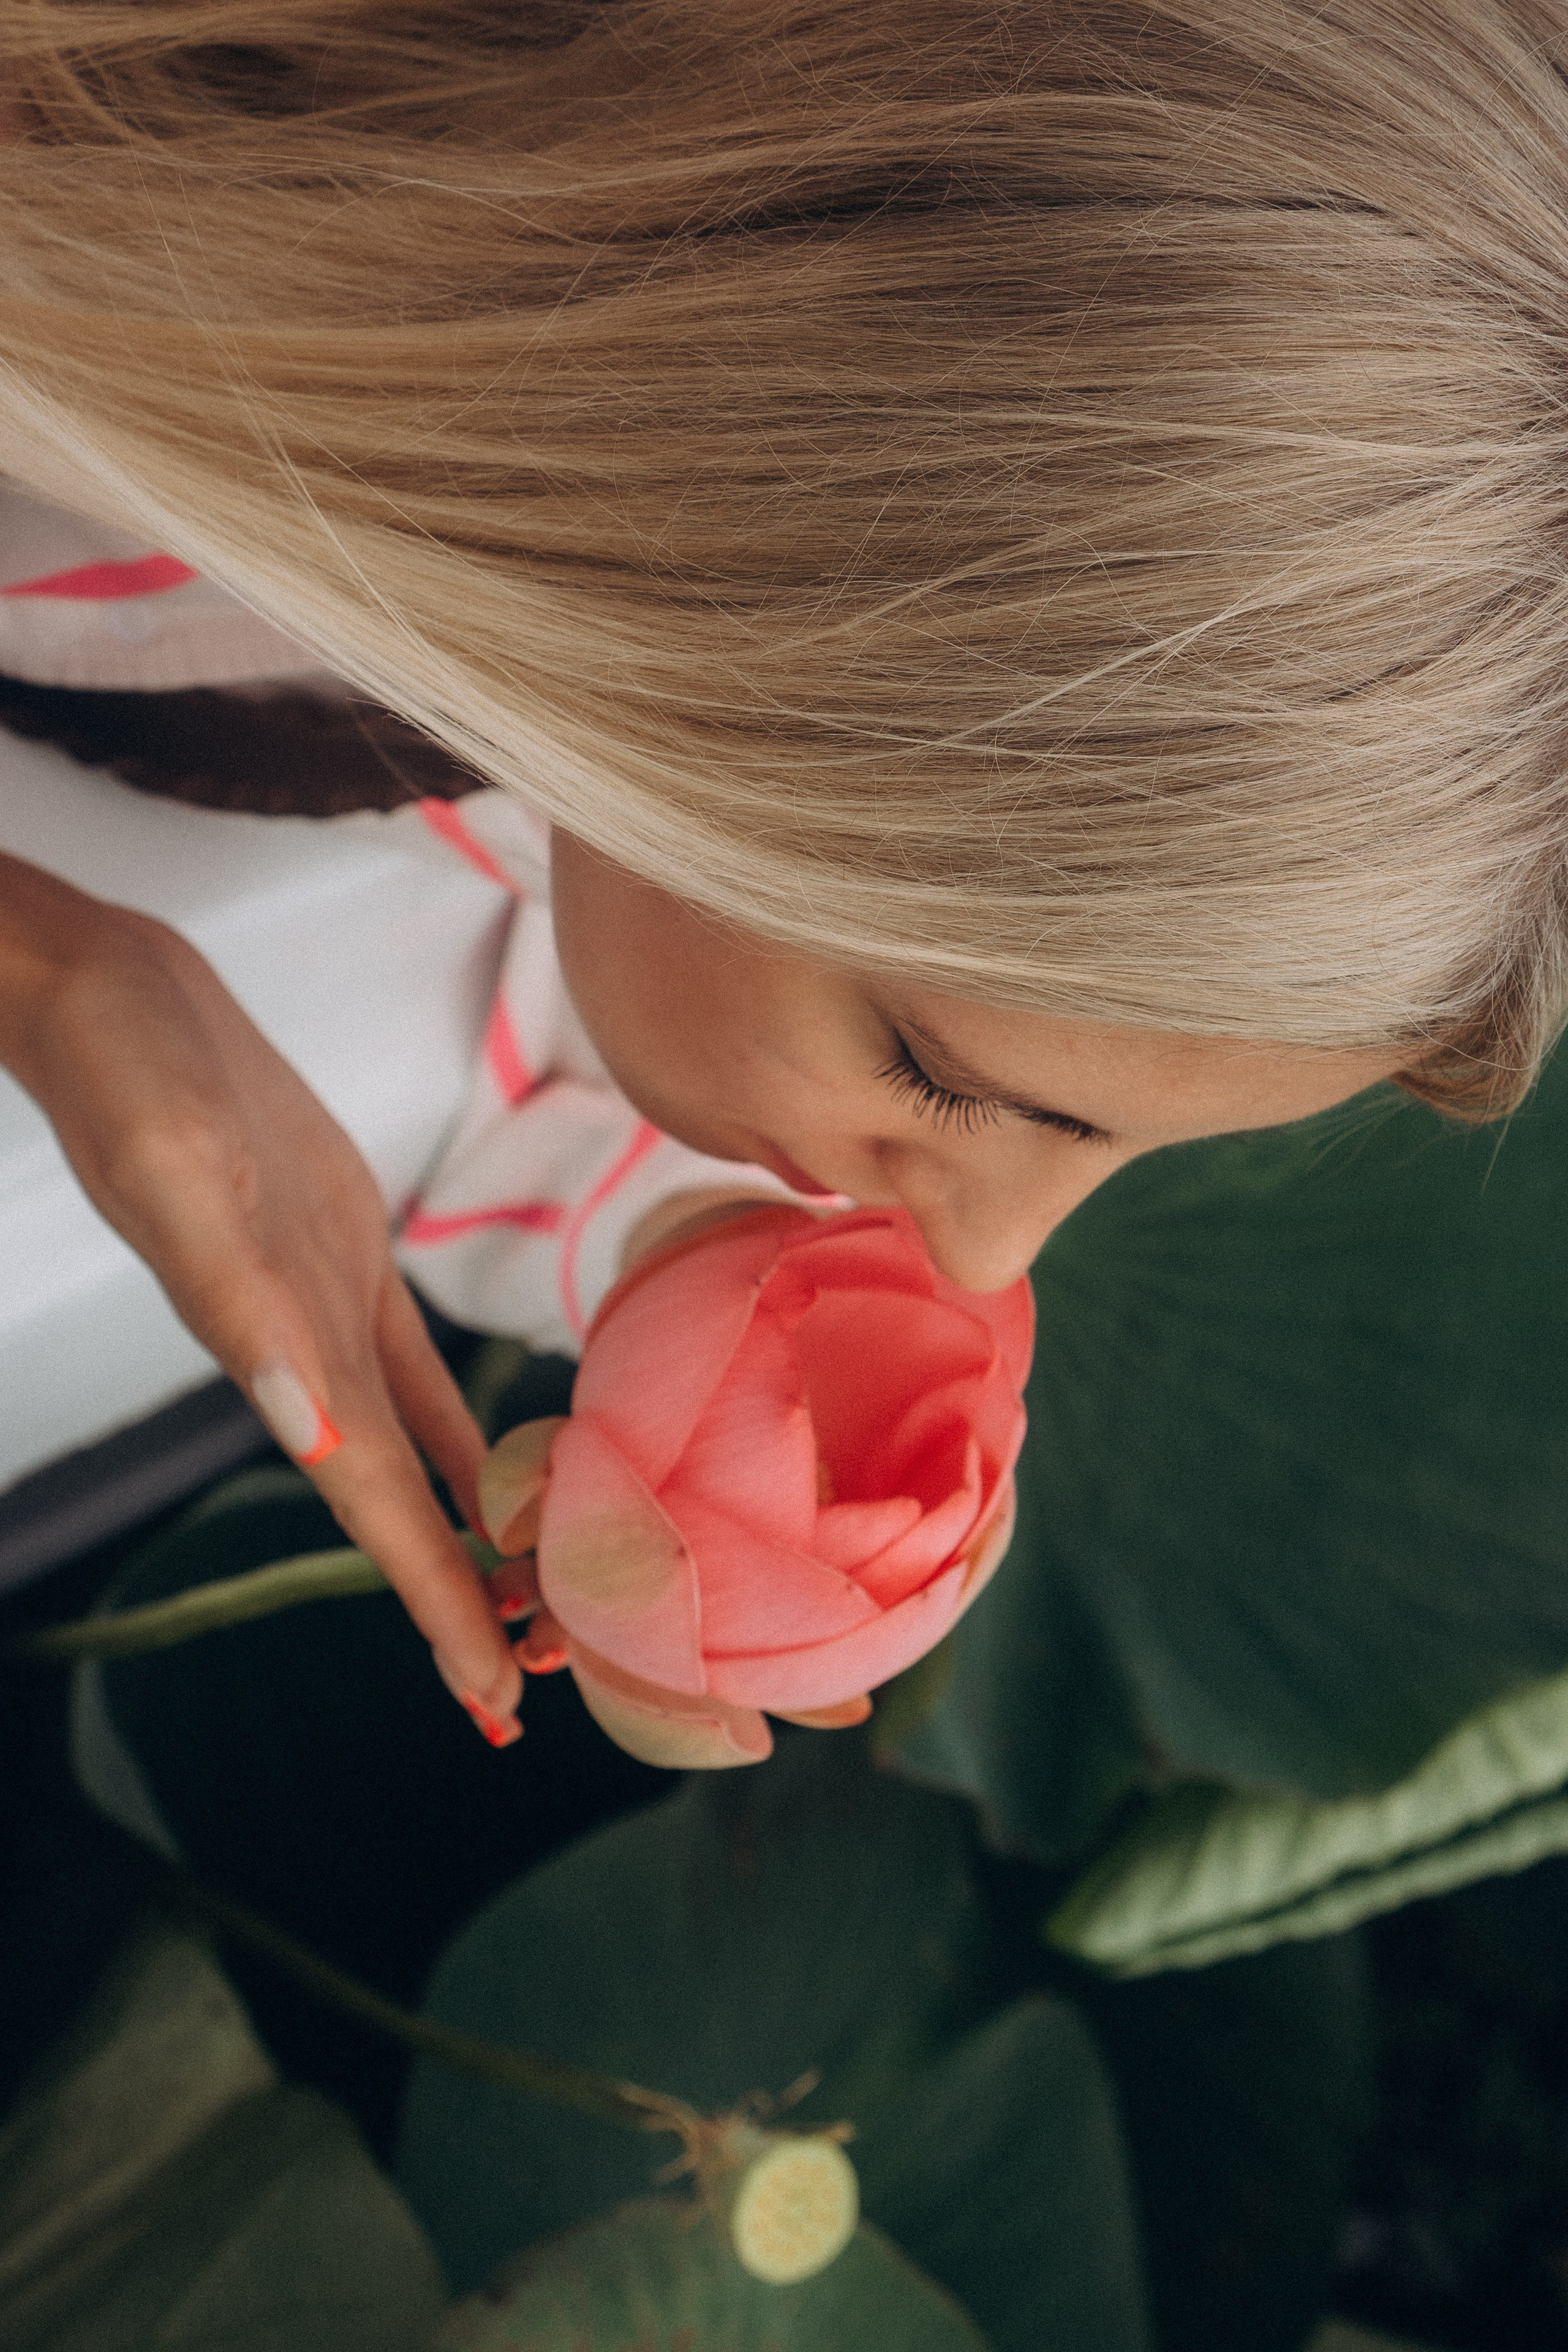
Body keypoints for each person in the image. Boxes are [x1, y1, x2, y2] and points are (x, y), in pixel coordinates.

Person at [0, 0, 1562, 1756]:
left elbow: (562, 933)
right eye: (934, 1075)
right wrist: (44, 967)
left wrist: (706, 1282)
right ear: (731, 586)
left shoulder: (543, 567)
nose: (981, 1257)